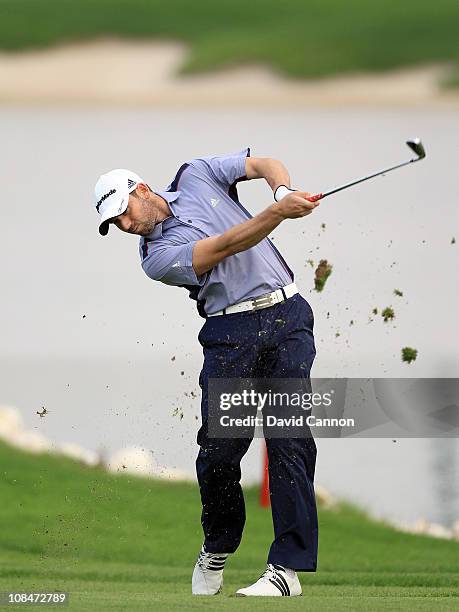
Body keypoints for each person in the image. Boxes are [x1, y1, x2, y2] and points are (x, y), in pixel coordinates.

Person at [93, 148, 320, 597]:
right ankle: (217, 545)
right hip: (230, 333)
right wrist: (278, 212)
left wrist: (282, 190)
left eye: (123, 213)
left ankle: (285, 571)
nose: (125, 225)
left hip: (287, 316)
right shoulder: (155, 258)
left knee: (289, 438)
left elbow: (260, 164)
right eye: (114, 224)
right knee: (219, 452)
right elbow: (227, 245)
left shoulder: (196, 175)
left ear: (140, 188)